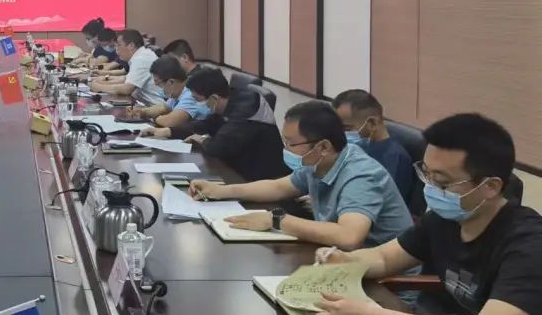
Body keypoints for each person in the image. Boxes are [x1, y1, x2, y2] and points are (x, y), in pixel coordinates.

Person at [312, 114, 542, 315]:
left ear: (491, 186)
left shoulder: (529, 244)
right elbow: (385, 257)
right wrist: (345, 259)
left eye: (443, 182)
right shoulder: (444, 219)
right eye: (427, 174)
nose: (430, 189)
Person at [190, 100, 413, 248]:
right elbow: (277, 187)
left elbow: (348, 236)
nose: (285, 149)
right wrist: (220, 190)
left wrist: (275, 220)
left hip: (386, 286)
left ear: (323, 146)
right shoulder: (319, 161)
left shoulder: (361, 175)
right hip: (341, 262)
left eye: (291, 143)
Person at [148, 67, 286, 182]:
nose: (197, 104)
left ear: (213, 98)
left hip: (260, 178)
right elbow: (205, 125)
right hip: (238, 166)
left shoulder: (245, 112)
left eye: (198, 100)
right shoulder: (229, 100)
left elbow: (217, 148)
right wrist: (169, 131)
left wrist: (202, 140)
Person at [332, 89, 416, 203]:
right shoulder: (355, 147)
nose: (341, 134)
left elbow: (382, 202)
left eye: (347, 129)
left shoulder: (395, 158)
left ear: (372, 123)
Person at [128, 41, 210, 128]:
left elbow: (169, 121)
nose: (156, 86)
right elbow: (164, 108)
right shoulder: (177, 92)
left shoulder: (191, 93)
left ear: (171, 82)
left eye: (158, 83)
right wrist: (142, 112)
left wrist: (153, 118)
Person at [89, 29, 160, 104]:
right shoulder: (140, 55)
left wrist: (99, 87)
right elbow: (126, 79)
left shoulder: (141, 59)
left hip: (152, 104)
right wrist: (103, 80)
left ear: (131, 45)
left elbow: (127, 89)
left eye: (119, 45)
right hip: (142, 101)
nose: (116, 49)